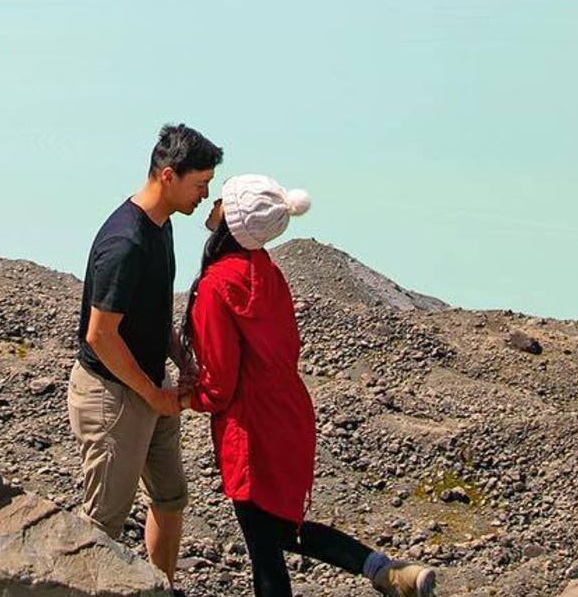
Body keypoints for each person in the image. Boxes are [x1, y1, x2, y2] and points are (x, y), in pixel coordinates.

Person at [181, 174, 438, 597]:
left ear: (233, 218)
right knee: (282, 529)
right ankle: (385, 572)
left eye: (221, 200)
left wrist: (179, 399)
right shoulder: (269, 274)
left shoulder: (215, 288)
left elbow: (221, 384)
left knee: (265, 549)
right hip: (288, 414)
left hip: (249, 428)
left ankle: (387, 573)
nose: (211, 203)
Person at [68, 123, 221, 586]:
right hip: (113, 396)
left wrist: (182, 359)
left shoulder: (161, 226)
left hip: (149, 388)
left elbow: (153, 313)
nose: (204, 196)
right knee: (103, 524)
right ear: (169, 176)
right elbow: (100, 336)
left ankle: (161, 586)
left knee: (171, 498)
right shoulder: (126, 242)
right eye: (200, 185)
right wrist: (153, 395)